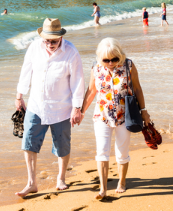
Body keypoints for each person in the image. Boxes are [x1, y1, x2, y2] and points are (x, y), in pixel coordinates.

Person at [15, 18, 85, 197]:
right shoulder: (34, 48)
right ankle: (31, 183)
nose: (50, 44)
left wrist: (77, 108)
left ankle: (61, 179)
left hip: (62, 108)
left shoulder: (71, 52)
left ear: (60, 37)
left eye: (54, 40)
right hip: (36, 106)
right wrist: (19, 96)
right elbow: (26, 71)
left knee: (62, 146)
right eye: (47, 40)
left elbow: (78, 81)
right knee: (29, 143)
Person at [81, 38, 151, 200]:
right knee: (102, 152)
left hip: (124, 116)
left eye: (114, 59)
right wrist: (81, 111)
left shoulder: (129, 65)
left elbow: (138, 89)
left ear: (120, 55)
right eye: (106, 60)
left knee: (122, 151)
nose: (111, 63)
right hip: (102, 116)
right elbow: (91, 91)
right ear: (100, 58)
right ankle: (103, 189)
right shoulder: (96, 68)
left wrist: (144, 112)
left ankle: (122, 181)